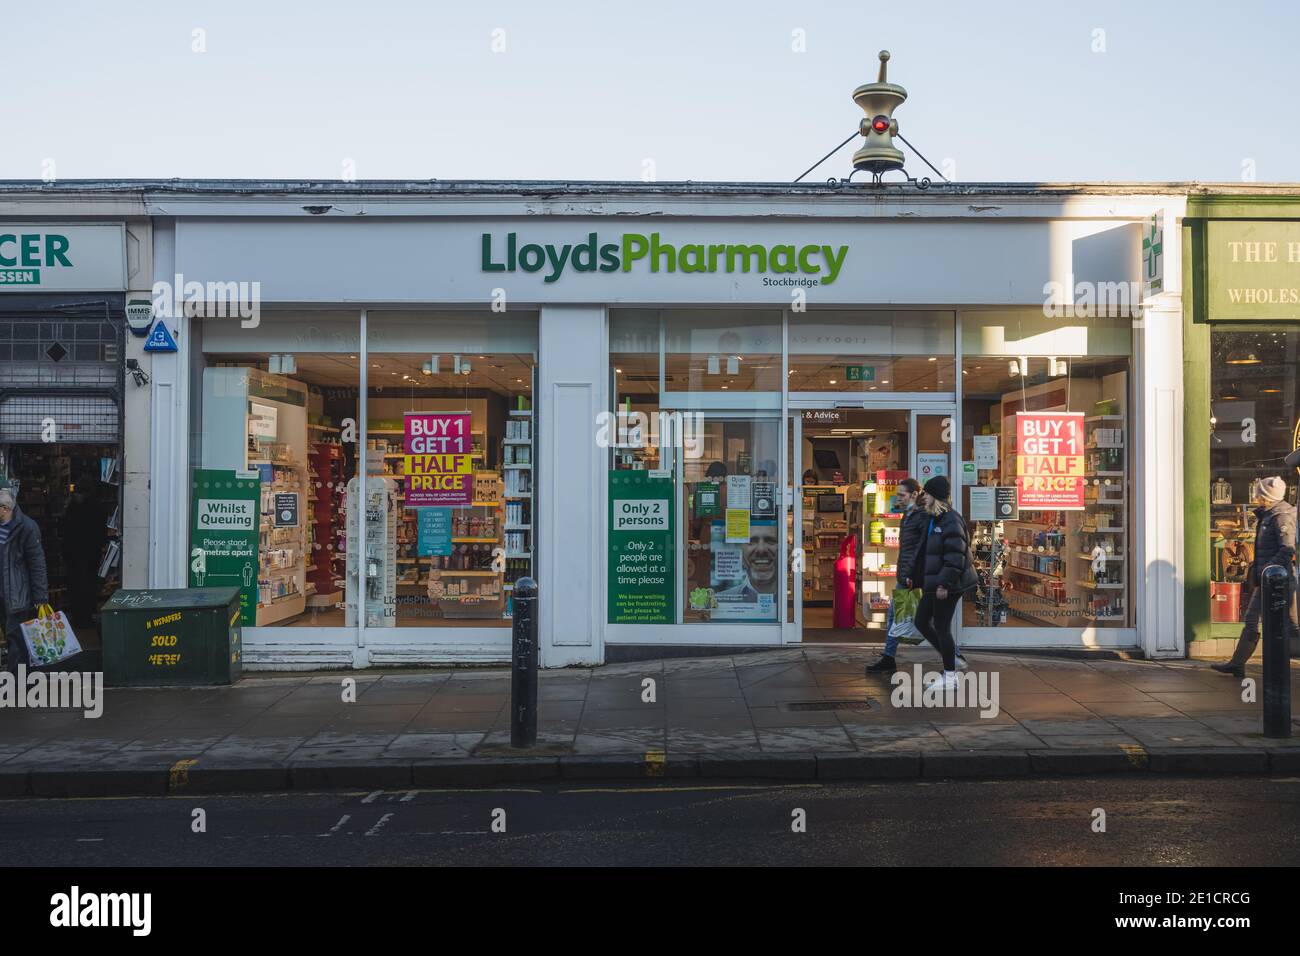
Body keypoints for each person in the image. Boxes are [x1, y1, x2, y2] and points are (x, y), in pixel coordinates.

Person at [1213, 476, 1298, 677]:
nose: (1256, 496)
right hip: (1266, 580)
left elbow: (1287, 550)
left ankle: (1237, 663)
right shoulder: (1268, 515)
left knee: (1293, 624)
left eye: (1259, 493)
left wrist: (1267, 568)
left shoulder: (1281, 516)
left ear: (1267, 496)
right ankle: (1237, 663)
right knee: (1252, 618)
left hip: (1279, 581)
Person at [908, 475, 978, 691]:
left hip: (948, 584)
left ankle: (950, 676)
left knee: (941, 626)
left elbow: (955, 557)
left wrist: (944, 585)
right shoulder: (934, 519)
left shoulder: (951, 521)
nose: (923, 497)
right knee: (921, 621)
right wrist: (914, 574)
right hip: (935, 581)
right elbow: (925, 552)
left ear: (936, 497)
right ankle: (953, 659)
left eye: (926, 494)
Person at [867, 477, 925, 674]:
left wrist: (911, 573)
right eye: (897, 494)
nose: (898, 498)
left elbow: (920, 549)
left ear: (914, 495)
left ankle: (954, 656)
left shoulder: (920, 516)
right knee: (893, 614)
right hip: (906, 575)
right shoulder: (907, 515)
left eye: (902, 495)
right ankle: (889, 657)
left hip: (915, 576)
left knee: (932, 623)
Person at [0, 487, 50, 675]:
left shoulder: (27, 527)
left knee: (16, 637)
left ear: (5, 508)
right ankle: (23, 676)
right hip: (2, 594)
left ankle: (16, 680)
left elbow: (37, 564)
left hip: (17, 593)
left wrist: (41, 597)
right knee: (13, 636)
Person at [61, 472, 107, 628]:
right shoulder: (97, 507)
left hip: (73, 553)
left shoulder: (72, 506)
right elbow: (101, 531)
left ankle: (77, 615)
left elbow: (65, 529)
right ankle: (87, 615)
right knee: (89, 583)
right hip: (91, 552)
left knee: (74, 583)